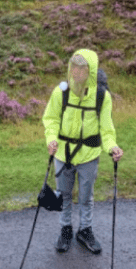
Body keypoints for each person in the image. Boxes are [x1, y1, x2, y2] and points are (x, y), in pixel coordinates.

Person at [42, 49, 124, 254]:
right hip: (62, 153)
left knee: (86, 196)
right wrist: (51, 140)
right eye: (74, 67)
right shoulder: (60, 92)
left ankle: (85, 230)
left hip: (89, 155)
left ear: (91, 71)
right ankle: (66, 230)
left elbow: (106, 129)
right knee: (64, 194)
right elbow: (50, 119)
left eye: (82, 68)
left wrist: (112, 147)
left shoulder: (101, 96)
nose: (77, 72)